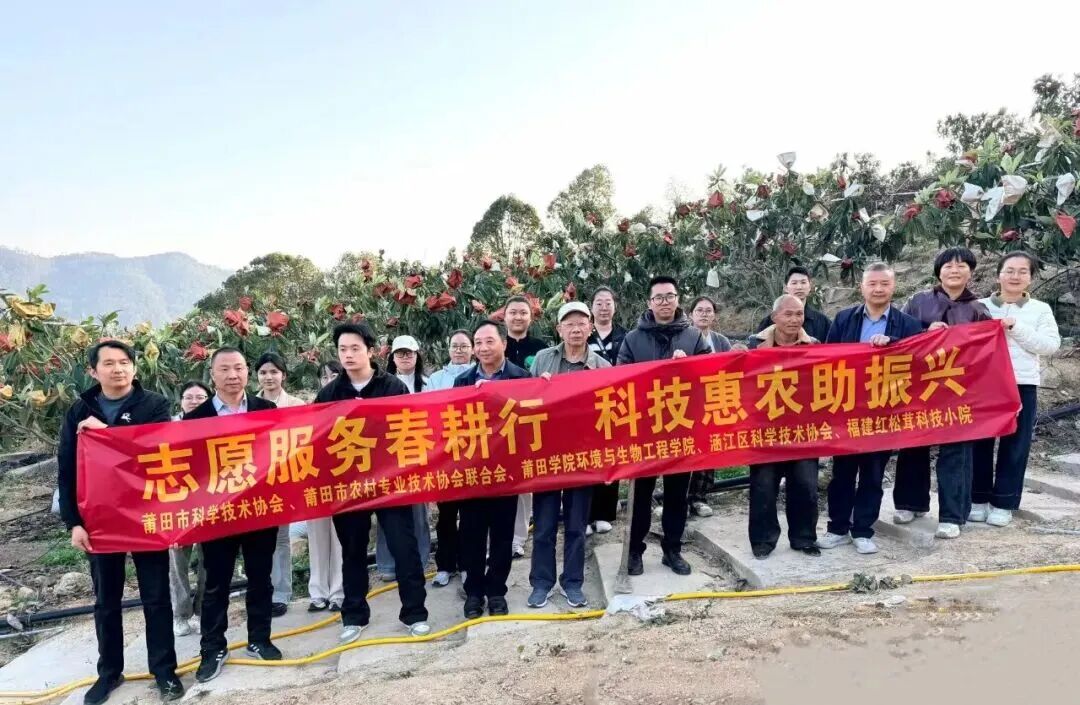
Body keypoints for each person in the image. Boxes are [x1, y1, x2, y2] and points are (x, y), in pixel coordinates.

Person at [57, 340, 184, 705]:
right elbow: (67, 468)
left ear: (135, 367)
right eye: (109, 363)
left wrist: (107, 434)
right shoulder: (79, 410)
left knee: (156, 597)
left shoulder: (154, 405)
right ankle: (109, 673)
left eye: (125, 362)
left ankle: (164, 671)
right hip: (99, 521)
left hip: (147, 516)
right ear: (93, 371)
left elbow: (156, 453)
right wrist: (73, 522)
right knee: (106, 601)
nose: (118, 369)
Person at [314, 323, 430, 641]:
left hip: (390, 484)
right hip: (349, 487)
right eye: (342, 349)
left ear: (370, 351)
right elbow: (317, 439)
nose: (348, 355)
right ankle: (354, 616)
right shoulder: (329, 394)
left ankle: (415, 613)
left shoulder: (392, 386)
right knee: (352, 551)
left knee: (404, 547)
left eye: (355, 348)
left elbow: (410, 430)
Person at [184, 347, 280, 682]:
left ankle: (259, 638)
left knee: (260, 577)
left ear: (247, 372)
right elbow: (191, 469)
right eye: (224, 369)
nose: (232, 375)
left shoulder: (266, 409)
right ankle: (212, 648)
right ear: (212, 375)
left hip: (259, 509)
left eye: (238, 368)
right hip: (216, 514)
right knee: (215, 583)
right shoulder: (195, 419)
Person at [817, 264, 923, 555]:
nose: (878, 289)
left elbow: (918, 360)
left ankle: (863, 530)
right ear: (862, 288)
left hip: (885, 412)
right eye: (872, 284)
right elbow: (826, 359)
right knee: (842, 473)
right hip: (848, 409)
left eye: (884, 284)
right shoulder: (844, 319)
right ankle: (837, 528)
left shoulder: (908, 324)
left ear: (893, 287)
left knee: (873, 474)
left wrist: (893, 345)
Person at [893, 247, 991, 539]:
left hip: (959, 391)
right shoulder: (918, 301)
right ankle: (911, 503)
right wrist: (925, 332)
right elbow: (901, 338)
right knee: (913, 444)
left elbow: (987, 352)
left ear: (971, 272)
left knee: (956, 453)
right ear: (938, 271)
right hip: (919, 386)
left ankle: (952, 516)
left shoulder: (979, 309)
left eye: (961, 266)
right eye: (948, 266)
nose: (954, 270)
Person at [618, 276, 711, 576]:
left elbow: (710, 375)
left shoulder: (694, 337)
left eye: (670, 296)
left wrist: (690, 366)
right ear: (649, 303)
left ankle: (673, 550)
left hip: (680, 427)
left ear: (677, 299)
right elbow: (620, 379)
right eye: (658, 297)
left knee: (677, 494)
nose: (664, 302)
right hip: (645, 430)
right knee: (640, 496)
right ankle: (635, 550)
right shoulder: (633, 339)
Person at [527, 302, 611, 609]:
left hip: (582, 458)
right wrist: (539, 388)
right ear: (559, 329)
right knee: (545, 525)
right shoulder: (543, 359)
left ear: (591, 328)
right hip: (548, 456)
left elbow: (609, 411)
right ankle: (541, 582)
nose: (576, 329)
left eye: (581, 324)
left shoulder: (602, 367)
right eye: (569, 324)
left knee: (576, 526)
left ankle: (573, 582)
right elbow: (525, 402)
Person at [972, 252, 1060, 527]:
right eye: (1009, 270)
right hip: (984, 385)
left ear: (1031, 278)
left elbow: (1050, 345)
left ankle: (1004, 502)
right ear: (998, 274)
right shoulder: (979, 306)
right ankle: (977, 499)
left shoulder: (1040, 309)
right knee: (980, 442)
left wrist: (1016, 327)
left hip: (1022, 383)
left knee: (1016, 444)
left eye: (1023, 271)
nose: (1015, 276)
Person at [454, 320, 532, 618]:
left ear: (503, 343)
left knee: (502, 535)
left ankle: (497, 590)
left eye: (489, 341)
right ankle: (474, 592)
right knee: (471, 535)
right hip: (473, 471)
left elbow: (530, 416)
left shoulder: (521, 377)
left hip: (506, 471)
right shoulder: (463, 381)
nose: (483, 348)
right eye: (478, 342)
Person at [746, 295, 822, 559]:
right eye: (788, 314)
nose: (794, 320)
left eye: (799, 314)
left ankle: (804, 538)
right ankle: (763, 541)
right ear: (774, 317)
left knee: (805, 485)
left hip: (803, 430)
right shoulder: (753, 345)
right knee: (763, 486)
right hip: (765, 430)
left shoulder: (815, 346)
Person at [253, 352, 305, 618]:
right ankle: (259, 591)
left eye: (274, 371)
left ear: (283, 375)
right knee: (256, 541)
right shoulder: (248, 405)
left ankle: (281, 594)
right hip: (253, 481)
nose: (269, 377)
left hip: (284, 478)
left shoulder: (296, 405)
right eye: (263, 372)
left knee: (281, 539)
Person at [377, 335, 432, 581]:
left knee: (419, 510)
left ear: (417, 355)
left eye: (409, 353)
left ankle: (420, 558)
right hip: (389, 454)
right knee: (387, 509)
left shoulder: (428, 383)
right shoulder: (382, 385)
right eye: (400, 354)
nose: (405, 357)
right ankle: (387, 564)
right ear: (392, 358)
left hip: (419, 451)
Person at [426, 330, 475, 588]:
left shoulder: (478, 375)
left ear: (472, 349)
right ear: (448, 349)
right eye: (455, 346)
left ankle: (468, 563)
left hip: (472, 454)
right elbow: (427, 412)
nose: (459, 350)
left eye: (464, 346)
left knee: (470, 515)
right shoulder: (436, 379)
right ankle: (445, 565)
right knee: (446, 515)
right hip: (444, 456)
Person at [502, 295, 547, 558]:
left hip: (529, 422)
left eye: (523, 313)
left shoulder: (541, 348)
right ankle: (498, 535)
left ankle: (518, 538)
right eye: (513, 312)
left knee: (525, 482)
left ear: (531, 318)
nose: (518, 317)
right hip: (499, 423)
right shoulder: (496, 345)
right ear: (504, 316)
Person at [168, 380, 212, 639]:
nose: (194, 401)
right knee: (177, 561)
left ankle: (204, 610)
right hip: (178, 506)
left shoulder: (218, 425)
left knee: (211, 561)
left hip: (211, 504)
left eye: (200, 397)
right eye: (189, 397)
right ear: (181, 401)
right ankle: (180, 614)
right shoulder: (168, 428)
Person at [686, 295, 733, 518]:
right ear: (690, 314)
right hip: (687, 403)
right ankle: (681, 498)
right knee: (687, 451)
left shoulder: (721, 342)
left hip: (714, 401)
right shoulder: (684, 339)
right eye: (699, 310)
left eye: (708, 311)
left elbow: (732, 368)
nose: (704, 314)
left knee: (709, 450)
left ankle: (699, 497)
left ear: (714, 316)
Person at [586, 287, 626, 535]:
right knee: (588, 456)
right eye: (599, 303)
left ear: (615, 307)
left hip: (615, 402)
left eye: (608, 302)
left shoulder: (625, 336)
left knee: (611, 455)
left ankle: (604, 513)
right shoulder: (583, 333)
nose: (603, 307)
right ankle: (586, 513)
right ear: (591, 307)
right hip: (586, 405)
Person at [307, 363, 344, 612]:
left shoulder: (351, 404)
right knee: (317, 538)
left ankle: (339, 592)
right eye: (324, 376)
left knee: (341, 538)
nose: (328, 380)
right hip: (316, 482)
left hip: (343, 481)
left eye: (334, 375)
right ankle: (317, 591)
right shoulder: (311, 408)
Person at [756, 266, 831, 342]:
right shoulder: (770, 321)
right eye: (794, 283)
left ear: (810, 287)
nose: (799, 287)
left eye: (803, 282)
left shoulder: (822, 322)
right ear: (785, 287)